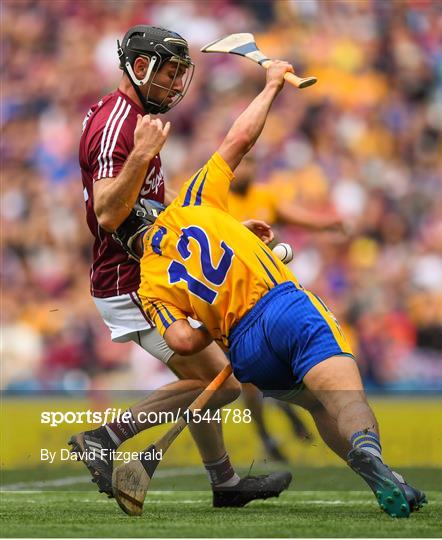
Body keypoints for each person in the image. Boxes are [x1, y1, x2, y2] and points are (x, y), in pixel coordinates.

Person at [122, 60, 426, 518]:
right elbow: (239, 139)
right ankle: (370, 451)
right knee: (345, 398)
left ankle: (383, 477)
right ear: (153, 208)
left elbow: (182, 341)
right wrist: (270, 86)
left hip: (246, 350)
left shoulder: (147, 281)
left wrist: (211, 320)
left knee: (316, 406)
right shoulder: (192, 202)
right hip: (283, 308)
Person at [73, 24, 291, 508]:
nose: (175, 85)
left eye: (179, 75)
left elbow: (154, 203)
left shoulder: (135, 116)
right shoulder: (120, 123)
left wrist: (221, 226)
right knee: (223, 384)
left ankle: (225, 483)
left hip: (149, 269)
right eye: (170, 74)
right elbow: (109, 212)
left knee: (209, 379)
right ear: (141, 67)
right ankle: (105, 437)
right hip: (130, 278)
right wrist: (145, 152)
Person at [230, 155, 348, 461]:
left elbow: (293, 215)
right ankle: (266, 435)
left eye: (253, 164)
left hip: (270, 295)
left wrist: (328, 223)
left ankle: (287, 411)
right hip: (237, 303)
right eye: (242, 164)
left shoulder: (264, 195)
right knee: (249, 380)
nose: (248, 170)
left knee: (272, 365)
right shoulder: (217, 204)